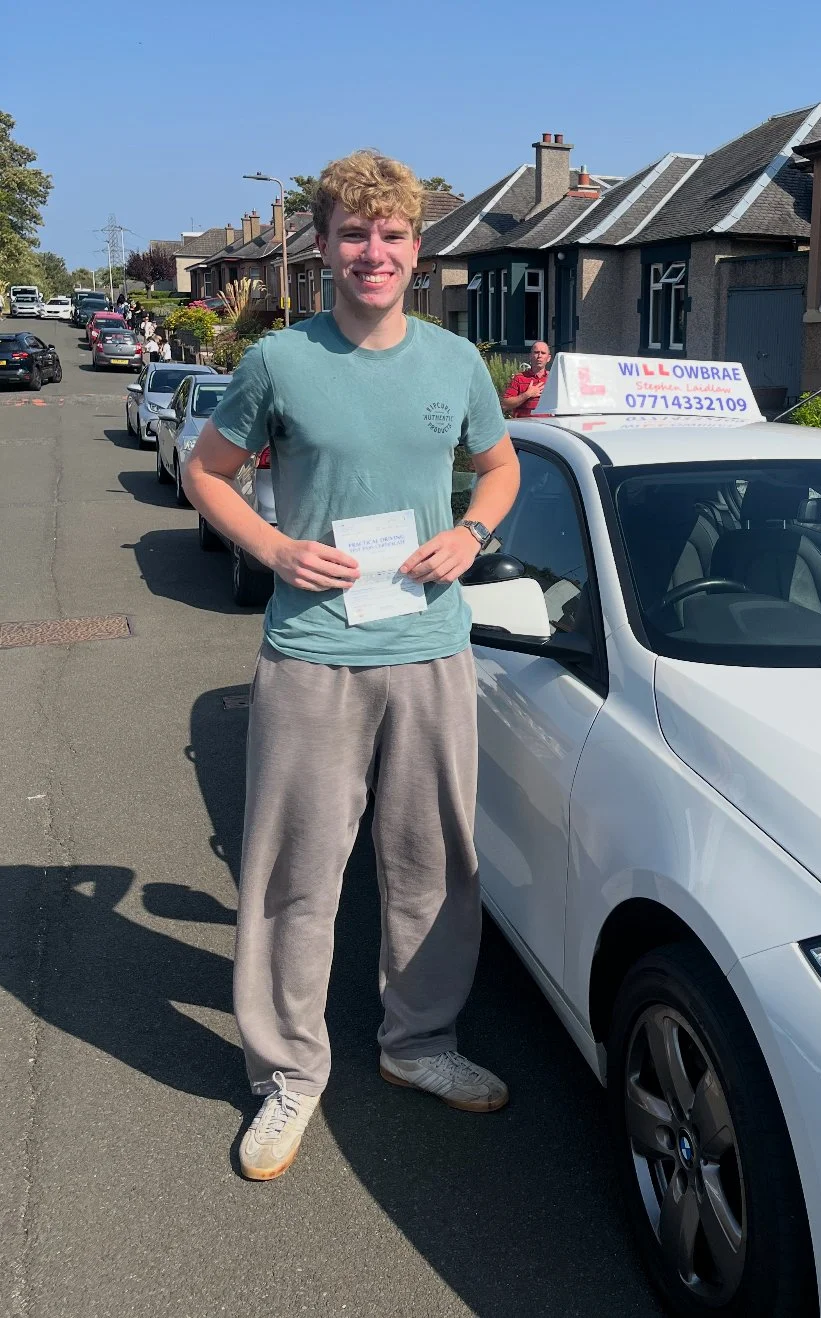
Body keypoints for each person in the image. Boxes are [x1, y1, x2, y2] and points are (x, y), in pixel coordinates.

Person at [185, 150, 520, 1182]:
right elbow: (207, 470)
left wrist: (471, 531)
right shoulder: (281, 363)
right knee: (296, 877)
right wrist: (277, 549)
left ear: (417, 252)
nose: (373, 252)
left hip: (429, 648)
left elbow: (500, 466)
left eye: (393, 235)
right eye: (354, 234)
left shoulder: (456, 364)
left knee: (434, 866)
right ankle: (288, 1073)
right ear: (323, 245)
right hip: (313, 655)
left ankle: (419, 1045)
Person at [501, 340, 551, 417]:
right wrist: (527, 394)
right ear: (530, 356)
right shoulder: (520, 378)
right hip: (526, 426)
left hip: (548, 427)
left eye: (543, 353)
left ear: (548, 358)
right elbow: (505, 404)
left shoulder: (553, 379)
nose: (539, 356)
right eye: (536, 352)